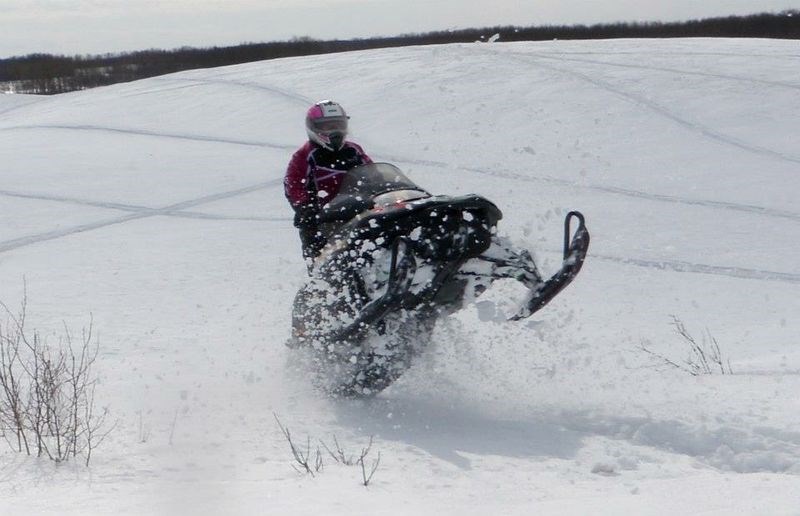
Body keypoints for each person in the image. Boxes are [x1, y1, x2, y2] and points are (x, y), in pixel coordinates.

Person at [284, 100, 373, 264]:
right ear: (314, 128)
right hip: (322, 219)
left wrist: (383, 189)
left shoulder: (354, 150)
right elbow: (293, 184)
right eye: (328, 127)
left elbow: (372, 172)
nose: (335, 131)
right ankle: (318, 286)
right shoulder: (304, 156)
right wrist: (305, 207)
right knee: (321, 261)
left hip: (356, 211)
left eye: (338, 125)